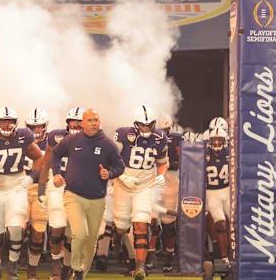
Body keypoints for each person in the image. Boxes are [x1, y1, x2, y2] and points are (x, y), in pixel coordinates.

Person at [50, 109, 125, 280]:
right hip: (73, 195)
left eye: (96, 120)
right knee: (80, 234)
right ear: (82, 123)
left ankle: (82, 273)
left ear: (100, 122)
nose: (93, 123)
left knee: (91, 241)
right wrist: (56, 173)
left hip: (97, 199)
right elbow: (55, 154)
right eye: (89, 120)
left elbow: (120, 167)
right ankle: (76, 270)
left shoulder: (108, 144)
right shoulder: (71, 140)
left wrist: (109, 174)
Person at [0, 107, 44, 280]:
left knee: (16, 226)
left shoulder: (23, 137)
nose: (6, 124)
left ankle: (12, 265)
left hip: (16, 185)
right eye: (3, 121)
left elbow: (39, 158)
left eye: (9, 121)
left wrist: (32, 176)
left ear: (15, 123)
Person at [112, 106, 168, 279]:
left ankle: (140, 267)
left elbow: (163, 162)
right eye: (143, 125)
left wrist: (161, 175)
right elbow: (110, 159)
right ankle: (117, 235)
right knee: (122, 227)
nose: (146, 129)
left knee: (142, 223)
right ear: (135, 125)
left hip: (145, 184)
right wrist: (121, 176)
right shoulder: (122, 135)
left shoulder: (160, 138)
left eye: (149, 125)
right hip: (124, 183)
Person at [38, 107, 85, 280]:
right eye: (73, 121)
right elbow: (45, 164)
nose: (76, 124)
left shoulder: (96, 140)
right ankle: (56, 262)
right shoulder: (56, 137)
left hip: (80, 188)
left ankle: (67, 265)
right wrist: (41, 190)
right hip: (57, 185)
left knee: (75, 232)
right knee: (56, 227)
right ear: (67, 122)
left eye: (80, 121)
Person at [23, 108, 49, 280]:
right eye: (33, 127)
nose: (36, 130)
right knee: (16, 229)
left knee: (39, 231)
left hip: (42, 188)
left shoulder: (54, 142)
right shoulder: (19, 140)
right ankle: (13, 261)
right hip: (21, 188)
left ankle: (32, 267)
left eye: (39, 126)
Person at [157, 114, 183, 273]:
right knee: (150, 220)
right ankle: (150, 255)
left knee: (168, 221)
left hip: (171, 178)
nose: (162, 133)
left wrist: (173, 163)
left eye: (165, 130)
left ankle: (169, 253)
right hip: (151, 177)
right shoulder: (147, 139)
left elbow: (183, 159)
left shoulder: (176, 139)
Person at [204, 126, 230, 265]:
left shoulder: (230, 153)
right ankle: (224, 256)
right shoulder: (204, 154)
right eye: (215, 141)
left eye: (220, 141)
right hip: (212, 192)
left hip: (227, 190)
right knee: (220, 223)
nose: (217, 143)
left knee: (235, 223)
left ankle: (235, 252)